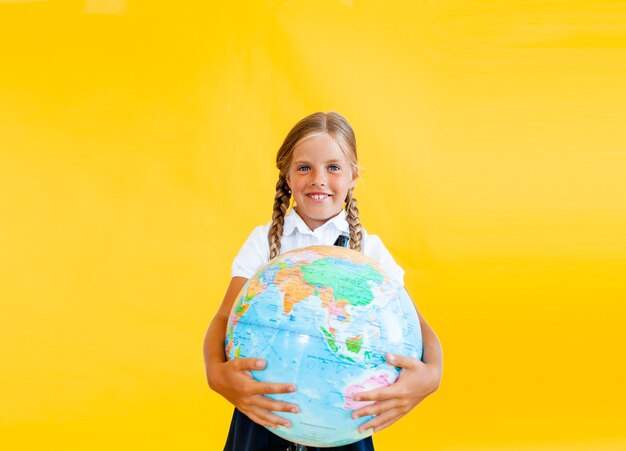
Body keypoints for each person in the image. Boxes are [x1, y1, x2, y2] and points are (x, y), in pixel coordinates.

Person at [203, 112, 443, 451]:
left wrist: (431, 375)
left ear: (353, 177)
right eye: (304, 168)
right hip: (266, 412)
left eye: (333, 167)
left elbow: (421, 329)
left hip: (342, 416)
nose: (318, 179)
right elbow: (225, 317)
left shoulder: (370, 252)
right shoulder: (263, 242)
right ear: (287, 176)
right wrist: (215, 372)